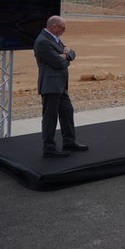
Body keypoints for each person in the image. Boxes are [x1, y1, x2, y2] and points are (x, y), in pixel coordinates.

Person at [33, 15, 88, 157]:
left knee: (67, 112)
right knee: (50, 117)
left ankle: (69, 141)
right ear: (54, 26)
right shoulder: (43, 41)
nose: (64, 31)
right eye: (63, 28)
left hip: (61, 85)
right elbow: (58, 63)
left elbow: (71, 52)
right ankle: (49, 148)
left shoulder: (54, 38)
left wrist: (66, 55)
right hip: (51, 85)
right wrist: (65, 56)